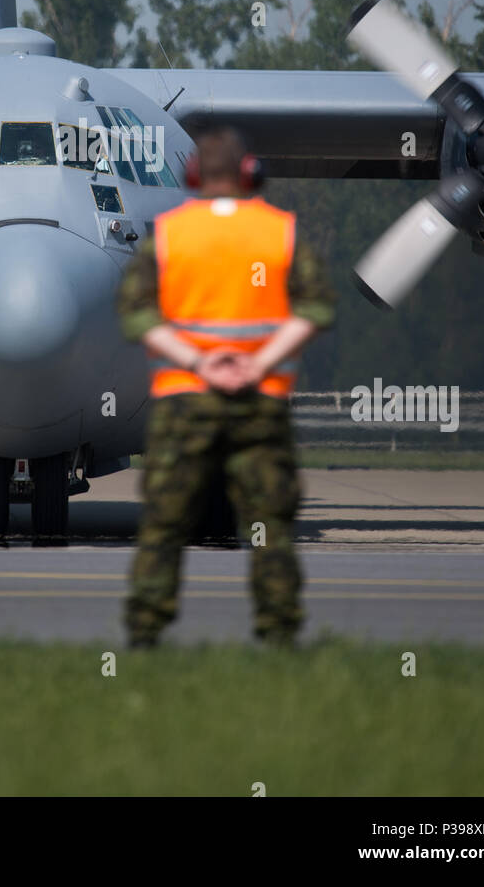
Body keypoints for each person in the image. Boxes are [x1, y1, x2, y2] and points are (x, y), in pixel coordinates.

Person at [117, 126, 336, 649]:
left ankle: (145, 633)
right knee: (270, 524)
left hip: (185, 400)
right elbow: (316, 308)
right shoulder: (278, 231)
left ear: (193, 176)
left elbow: (135, 314)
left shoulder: (170, 234)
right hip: (259, 402)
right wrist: (259, 364)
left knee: (166, 523)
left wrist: (200, 361)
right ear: (249, 172)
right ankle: (280, 633)